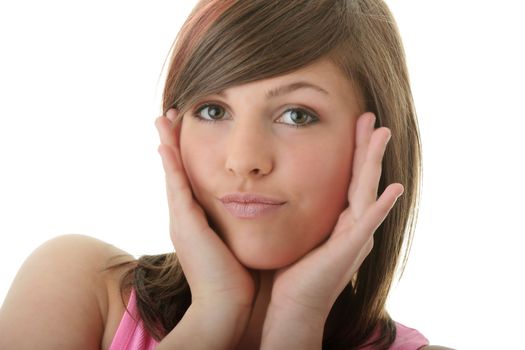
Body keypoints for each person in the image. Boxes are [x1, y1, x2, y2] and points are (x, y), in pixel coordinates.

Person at [0, 0, 453, 349]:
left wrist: (296, 323)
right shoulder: (74, 288)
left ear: (376, 138)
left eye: (296, 115)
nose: (243, 160)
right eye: (213, 110)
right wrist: (213, 313)